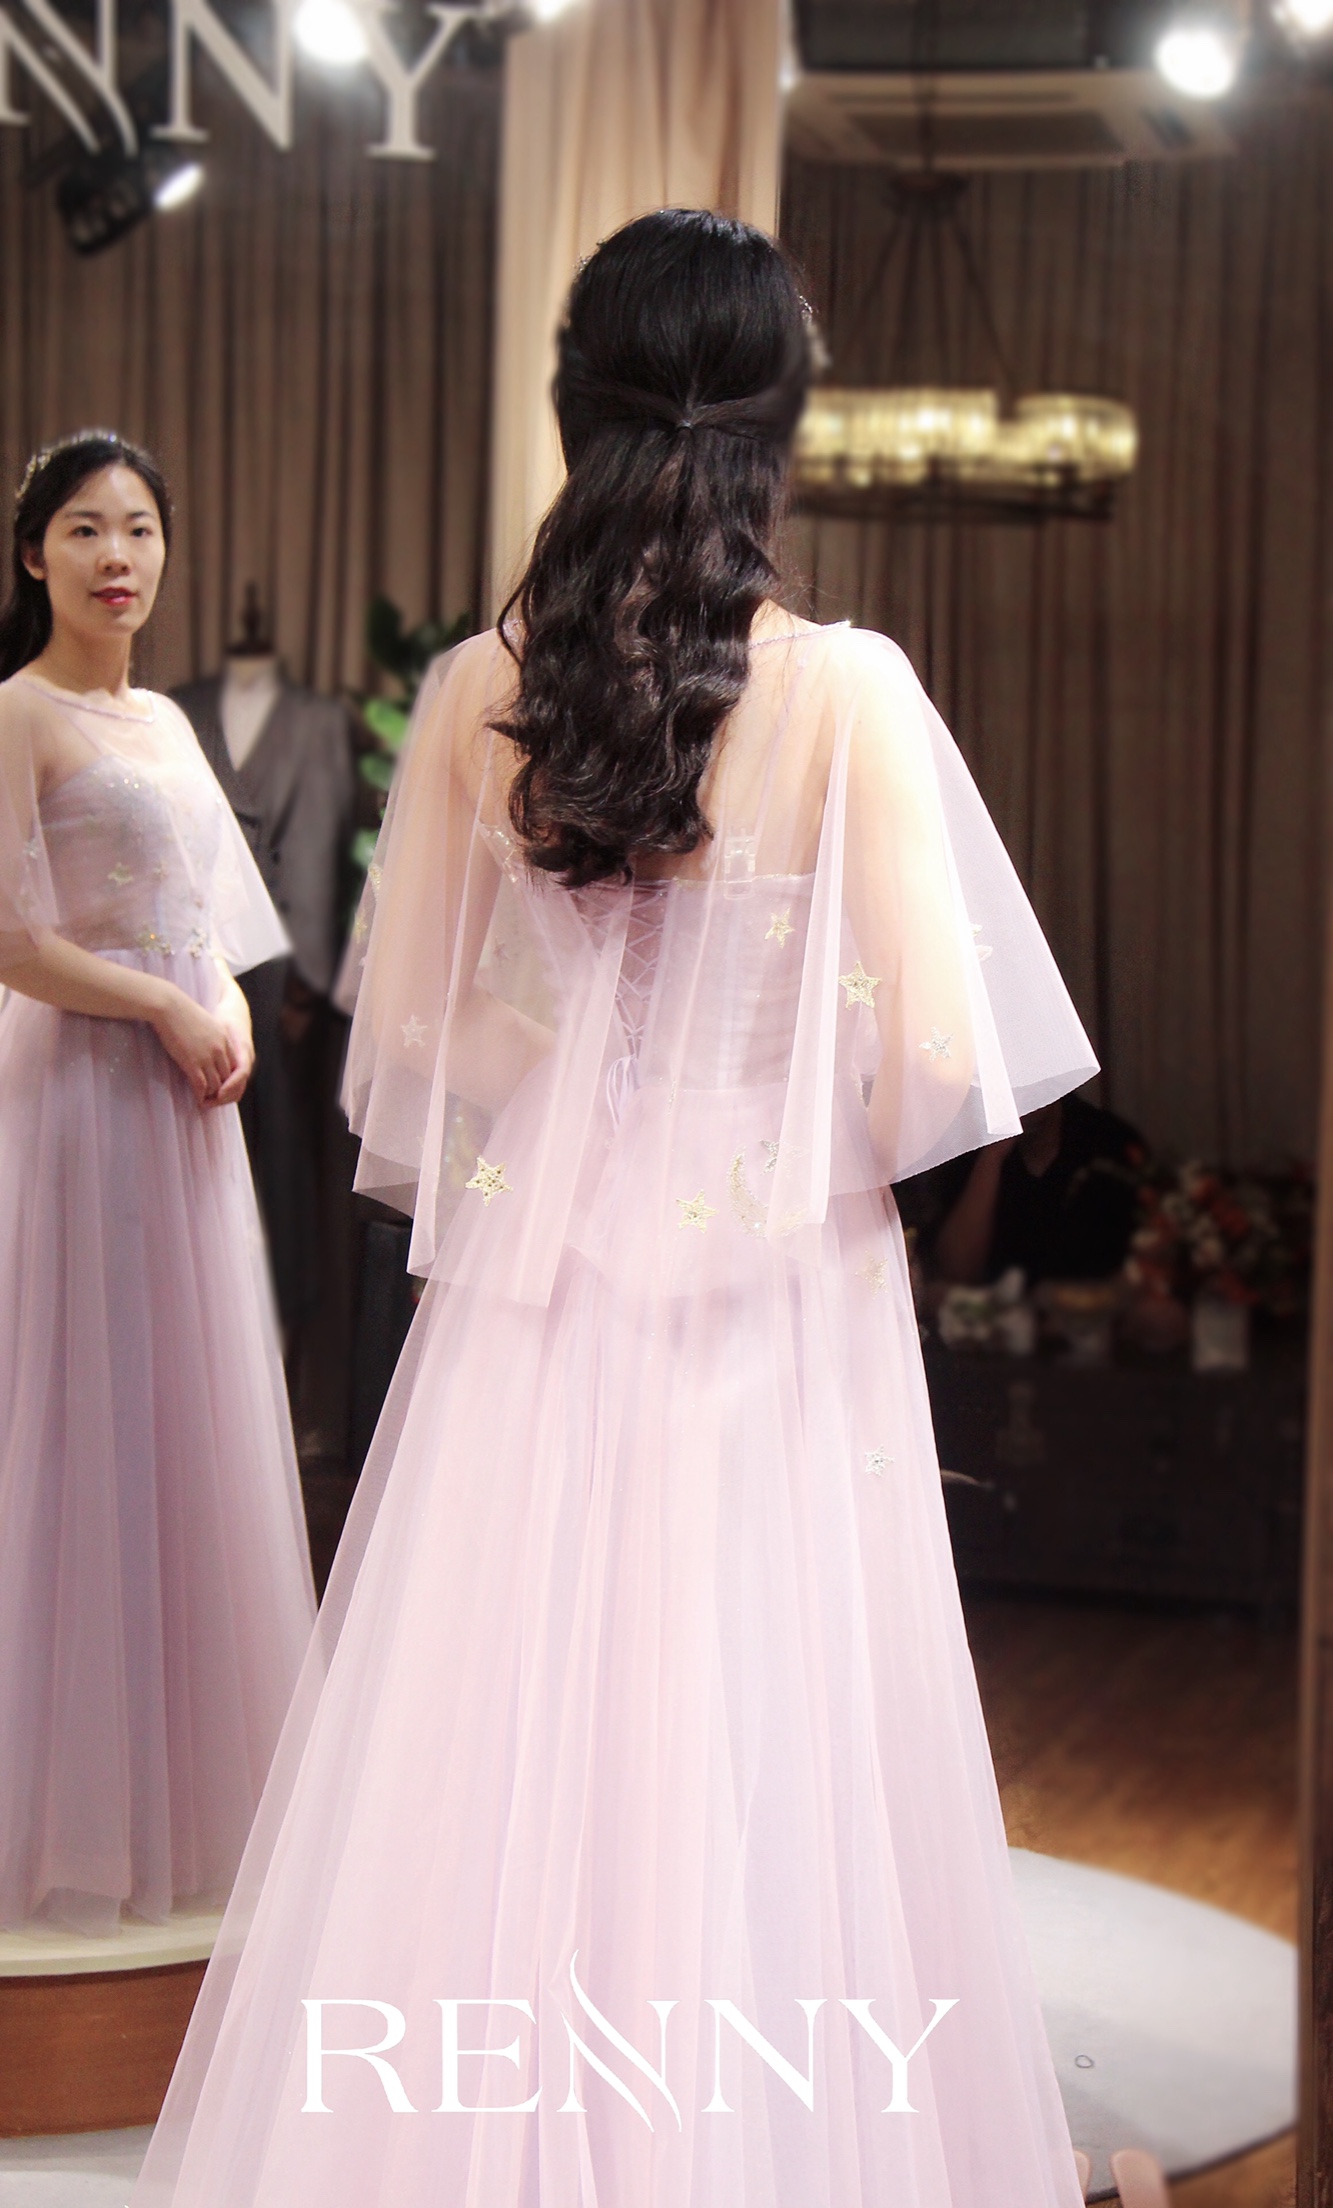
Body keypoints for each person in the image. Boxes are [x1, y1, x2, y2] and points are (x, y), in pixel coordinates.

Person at [132, 214, 1096, 2207]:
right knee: (764, 1742)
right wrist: (748, 1050)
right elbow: (926, 1068)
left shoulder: (473, 692)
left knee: (505, 1756)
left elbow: (419, 1046)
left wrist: (594, 1053)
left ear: (573, 404)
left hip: (540, 1293)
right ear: (780, 425)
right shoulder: (850, 694)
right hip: (773, 1299)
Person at [0, 431, 317, 1935]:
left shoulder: (171, 725)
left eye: (136, 528)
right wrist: (164, 1010)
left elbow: (212, 916)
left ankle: (184, 1801)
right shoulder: (18, 711)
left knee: (180, 1419)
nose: (115, 555)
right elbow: (12, 942)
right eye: (83, 528)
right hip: (79, 1093)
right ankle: (65, 1803)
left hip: (186, 1100)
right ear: (33, 555)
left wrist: (226, 1005)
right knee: (80, 1419)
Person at [927, 1093, 1147, 1289]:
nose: (1024, 1086)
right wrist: (992, 1155)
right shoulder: (969, 1153)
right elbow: (955, 1274)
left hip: (1095, 1313)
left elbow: (1146, 1261)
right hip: (994, 1316)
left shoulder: (1108, 1141)